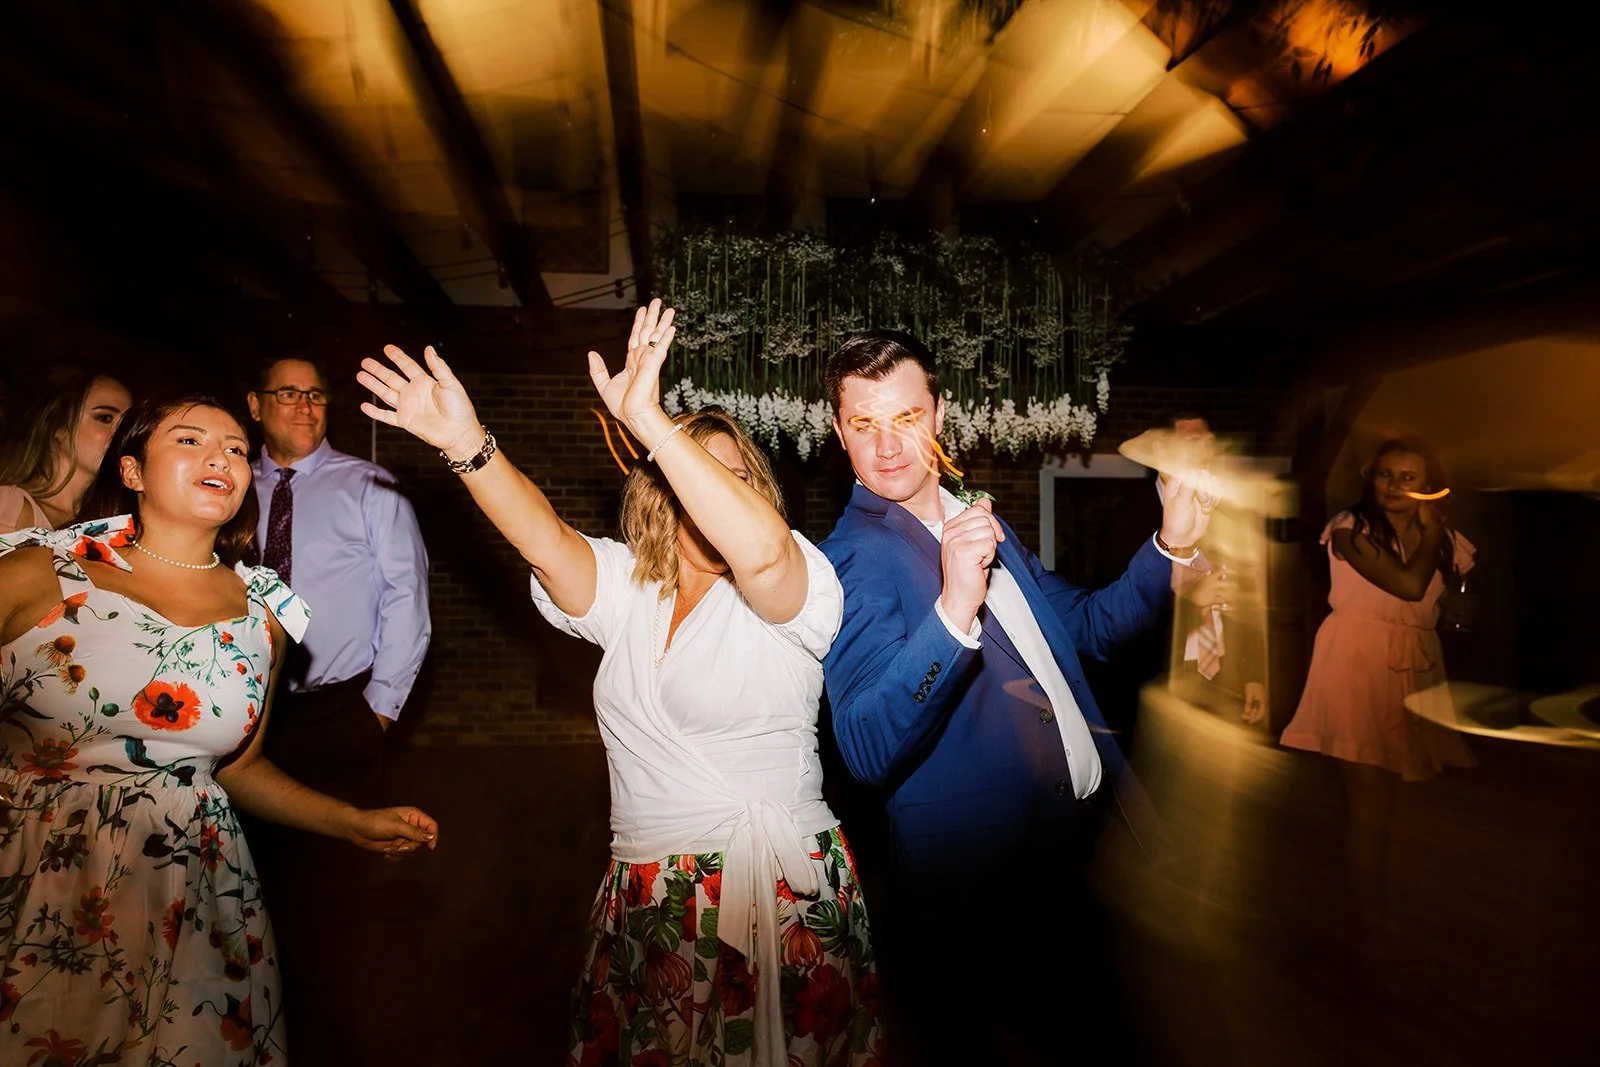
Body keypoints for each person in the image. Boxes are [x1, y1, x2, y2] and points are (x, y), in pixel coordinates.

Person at [357, 300, 882, 1067]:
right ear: (663, 497)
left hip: (769, 889)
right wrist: (467, 445)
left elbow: (765, 555)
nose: (708, 491)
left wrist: (650, 420)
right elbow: (546, 542)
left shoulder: (799, 583)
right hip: (645, 891)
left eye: (730, 478)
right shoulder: (634, 590)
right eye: (690, 475)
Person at [0, 394, 438, 1064]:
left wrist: (350, 821)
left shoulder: (263, 615)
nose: (222, 458)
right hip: (41, 866)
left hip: (192, 887)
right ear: (133, 471)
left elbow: (237, 766)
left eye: (236, 448)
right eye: (190, 440)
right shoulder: (36, 573)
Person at [815, 330, 1214, 1065]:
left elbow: (1088, 627)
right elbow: (866, 747)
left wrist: (1171, 544)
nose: (888, 445)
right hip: (976, 891)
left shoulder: (977, 519)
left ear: (939, 415)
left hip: (1070, 857)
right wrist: (952, 611)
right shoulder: (850, 558)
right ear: (839, 432)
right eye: (864, 423)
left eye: (905, 417)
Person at [240, 354, 432, 1062]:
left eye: (316, 394)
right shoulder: (228, 486)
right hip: (239, 716)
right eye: (288, 392)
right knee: (247, 890)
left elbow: (408, 597)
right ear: (255, 403)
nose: (304, 405)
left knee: (333, 903)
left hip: (334, 714)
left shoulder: (370, 484)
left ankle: (331, 1041)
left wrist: (375, 711)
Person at [1280, 436, 1474, 937]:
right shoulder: (1350, 529)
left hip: (1416, 663)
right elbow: (1408, 585)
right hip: (1357, 661)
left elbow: (1445, 599)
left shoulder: (1446, 540)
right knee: (1369, 802)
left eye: (1408, 477)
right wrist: (1433, 533)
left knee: (1408, 801)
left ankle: (1391, 902)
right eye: (1386, 474)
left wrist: (1454, 606)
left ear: (1430, 486)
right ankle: (1367, 921)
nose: (1393, 485)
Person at [0, 365, 132, 533]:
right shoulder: (8, 507)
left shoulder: (118, 517)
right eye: (105, 418)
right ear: (58, 425)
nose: (122, 432)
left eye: (128, 423)